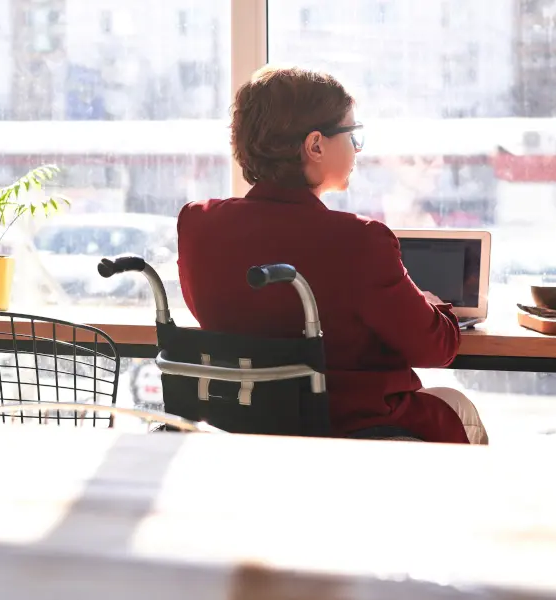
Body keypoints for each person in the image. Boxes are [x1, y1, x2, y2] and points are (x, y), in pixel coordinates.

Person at [176, 65, 488, 444]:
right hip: (350, 432)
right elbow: (435, 348)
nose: (359, 149)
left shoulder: (198, 224)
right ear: (316, 145)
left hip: (239, 431)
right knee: (459, 407)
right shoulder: (360, 240)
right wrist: (433, 307)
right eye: (353, 135)